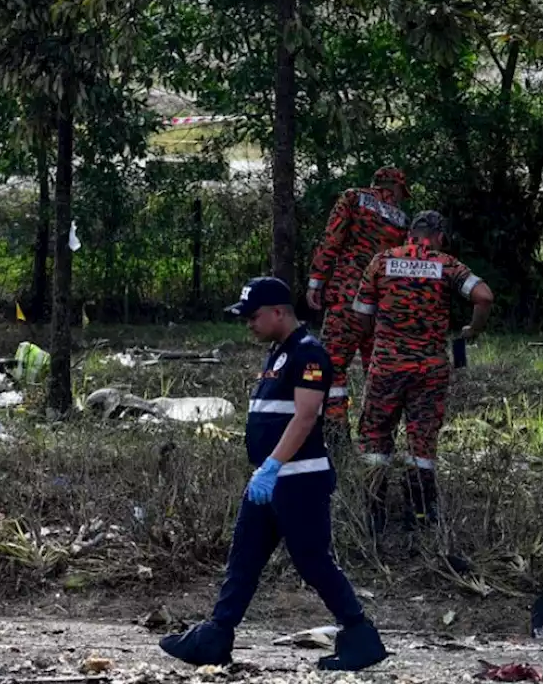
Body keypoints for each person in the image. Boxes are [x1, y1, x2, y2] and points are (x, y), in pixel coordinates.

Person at [158, 277, 388, 672]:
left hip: (298, 479)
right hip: (268, 479)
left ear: (279, 312)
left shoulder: (309, 353)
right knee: (244, 558)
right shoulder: (278, 352)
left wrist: (273, 465)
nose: (248, 322)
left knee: (312, 560)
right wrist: (264, 470)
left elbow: (305, 417)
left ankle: (360, 633)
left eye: (254, 315)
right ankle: (216, 636)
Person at [352, 211, 494, 532]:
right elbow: (484, 296)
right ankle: (421, 517)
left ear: (410, 233)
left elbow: (361, 313)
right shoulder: (445, 264)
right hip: (429, 370)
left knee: (375, 435)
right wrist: (472, 329)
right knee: (422, 439)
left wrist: (381, 336)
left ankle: (375, 518)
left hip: (387, 366)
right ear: (439, 236)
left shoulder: (382, 261)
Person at [305, 167, 411, 425]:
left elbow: (332, 240)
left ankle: (335, 431)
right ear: (394, 187)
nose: (400, 198)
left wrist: (316, 282)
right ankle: (377, 441)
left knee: (332, 365)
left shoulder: (353, 198)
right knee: (377, 371)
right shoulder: (403, 220)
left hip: (347, 296)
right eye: (400, 192)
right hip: (382, 304)